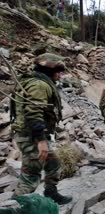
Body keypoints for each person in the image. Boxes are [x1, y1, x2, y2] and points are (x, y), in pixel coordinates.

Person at [11, 53, 72, 205]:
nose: (60, 75)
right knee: (31, 174)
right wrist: (41, 141)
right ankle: (18, 205)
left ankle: (51, 192)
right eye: (58, 71)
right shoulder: (39, 85)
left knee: (53, 163)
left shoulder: (35, 82)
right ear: (50, 70)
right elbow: (33, 113)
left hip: (32, 134)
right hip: (31, 136)